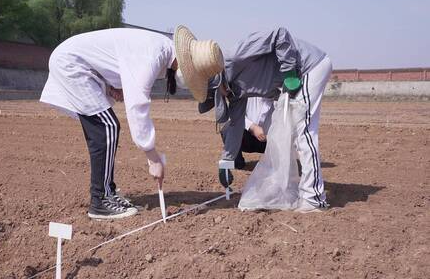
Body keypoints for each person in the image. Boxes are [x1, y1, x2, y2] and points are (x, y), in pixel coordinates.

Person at [40, 27, 223, 219]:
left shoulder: (161, 50)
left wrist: (114, 85)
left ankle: (107, 193)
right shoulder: (153, 54)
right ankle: (100, 201)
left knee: (106, 127)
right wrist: (152, 156)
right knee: (106, 126)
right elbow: (137, 104)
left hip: (81, 64)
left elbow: (117, 60)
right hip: (71, 64)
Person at [198, 27, 333, 213]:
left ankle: (313, 198)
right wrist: (226, 162)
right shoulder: (233, 90)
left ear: (214, 81)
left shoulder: (236, 56)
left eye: (213, 96)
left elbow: (279, 34)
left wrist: (289, 72)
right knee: (295, 133)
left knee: (304, 132)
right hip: (295, 79)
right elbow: (236, 124)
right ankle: (304, 190)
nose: (219, 99)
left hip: (309, 68)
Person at [231, 97, 274, 169]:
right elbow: (234, 114)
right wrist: (252, 127)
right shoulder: (248, 95)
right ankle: (234, 164)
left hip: (270, 143)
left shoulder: (282, 98)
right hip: (246, 138)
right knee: (228, 128)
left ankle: (278, 164)